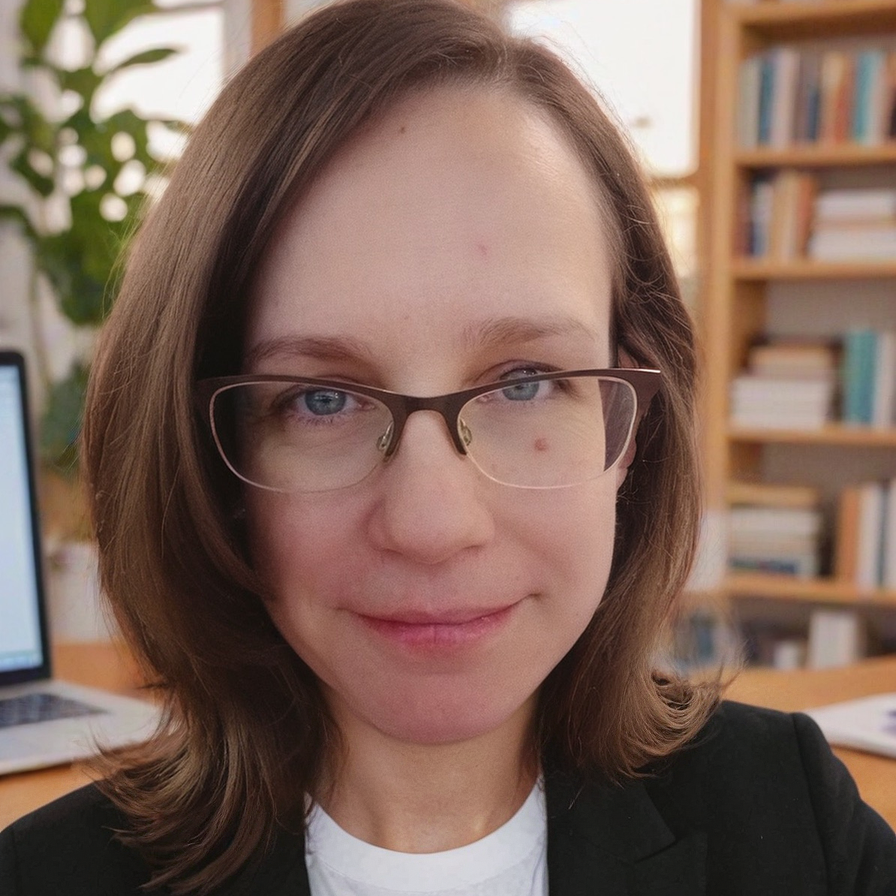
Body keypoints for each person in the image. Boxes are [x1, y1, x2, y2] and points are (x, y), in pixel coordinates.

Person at [2, 0, 895, 893]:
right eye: (321, 400)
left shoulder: (794, 818)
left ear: (630, 426)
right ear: (212, 461)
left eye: (524, 382)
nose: (432, 525)